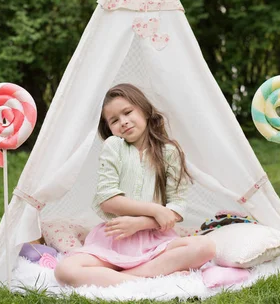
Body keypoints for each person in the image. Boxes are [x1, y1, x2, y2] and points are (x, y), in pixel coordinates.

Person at [54, 83, 216, 287]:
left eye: (128, 112)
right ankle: (147, 280)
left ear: (145, 111)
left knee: (206, 247)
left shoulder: (169, 152)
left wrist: (141, 223)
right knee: (65, 270)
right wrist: (154, 209)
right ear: (109, 128)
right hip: (115, 239)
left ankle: (129, 277)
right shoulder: (113, 146)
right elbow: (107, 200)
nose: (123, 122)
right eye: (114, 120)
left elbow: (176, 207)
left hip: (156, 241)